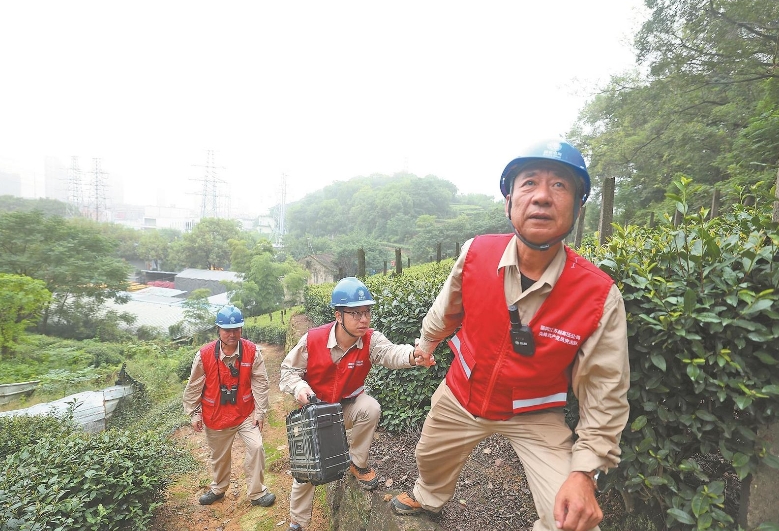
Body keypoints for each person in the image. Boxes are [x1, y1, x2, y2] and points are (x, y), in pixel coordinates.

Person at [391, 139, 630, 531]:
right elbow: (445, 310)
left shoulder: (599, 296)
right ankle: (428, 498)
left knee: (573, 524)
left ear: (577, 206)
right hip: (461, 397)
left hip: (535, 416)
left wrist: (585, 473)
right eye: (529, 183)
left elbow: (606, 395)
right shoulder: (476, 254)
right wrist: (427, 344)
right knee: (429, 457)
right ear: (508, 202)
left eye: (559, 186)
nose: (542, 197)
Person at [280, 277, 430, 531]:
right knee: (306, 469)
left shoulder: (371, 340)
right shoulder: (312, 340)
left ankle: (356, 463)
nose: (364, 319)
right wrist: (300, 388)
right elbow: (287, 371)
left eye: (367, 312)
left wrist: (413, 356)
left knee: (370, 407)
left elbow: (390, 353)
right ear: (338, 316)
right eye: (356, 313)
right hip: (315, 413)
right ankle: (298, 522)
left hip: (346, 408)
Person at [182, 304, 276, 508]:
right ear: (219, 330)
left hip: (244, 414)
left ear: (241, 329)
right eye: (227, 330)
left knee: (257, 446)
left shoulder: (252, 351)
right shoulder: (205, 355)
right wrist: (194, 413)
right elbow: (194, 386)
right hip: (215, 416)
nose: (232, 334)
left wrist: (260, 412)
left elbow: (261, 382)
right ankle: (218, 489)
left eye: (236, 329)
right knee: (219, 457)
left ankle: (257, 492)